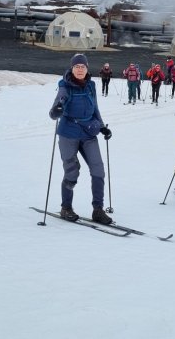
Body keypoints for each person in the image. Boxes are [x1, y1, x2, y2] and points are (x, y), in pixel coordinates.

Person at [48, 53, 113, 224]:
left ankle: (98, 210)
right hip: (68, 133)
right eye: (76, 67)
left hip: (89, 132)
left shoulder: (91, 86)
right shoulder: (65, 86)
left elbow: (95, 109)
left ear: (86, 68)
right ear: (72, 68)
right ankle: (66, 207)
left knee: (98, 169)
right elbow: (57, 105)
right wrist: (56, 110)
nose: (79, 69)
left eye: (82, 67)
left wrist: (102, 126)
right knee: (72, 171)